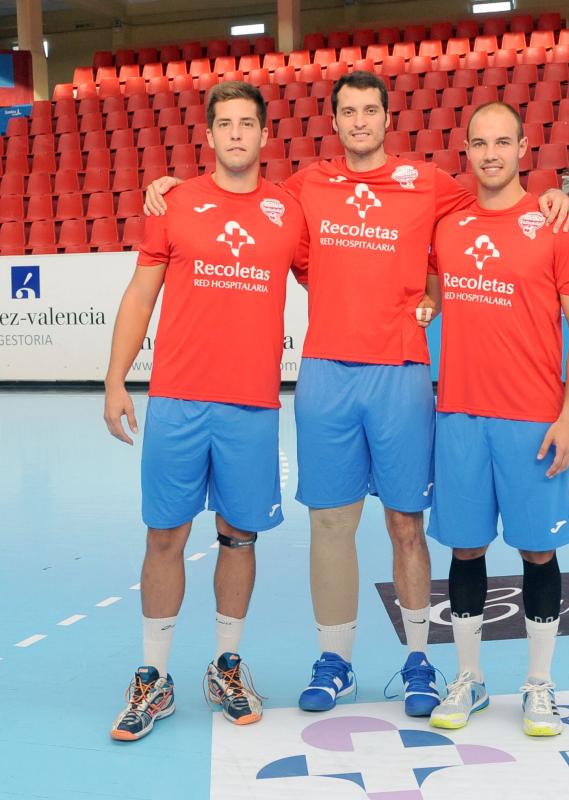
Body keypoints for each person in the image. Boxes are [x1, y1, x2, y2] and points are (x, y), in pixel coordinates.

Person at [144, 72, 569, 717]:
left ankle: (418, 662)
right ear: (334, 121)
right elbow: (236, 194)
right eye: (347, 111)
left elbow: (497, 201)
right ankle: (337, 661)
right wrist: (170, 188)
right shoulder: (301, 191)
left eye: (369, 110)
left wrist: (553, 197)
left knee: (407, 523)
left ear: (386, 117)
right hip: (325, 373)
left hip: (400, 373)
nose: (359, 121)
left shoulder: (429, 182)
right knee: (330, 522)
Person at [104, 82, 306, 741]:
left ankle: (226, 665)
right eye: (226, 124)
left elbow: (343, 271)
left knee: (238, 538)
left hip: (250, 407)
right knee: (164, 536)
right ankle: (153, 677)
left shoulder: (289, 211)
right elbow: (140, 296)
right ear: (211, 137)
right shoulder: (176, 203)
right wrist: (113, 379)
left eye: (249, 123)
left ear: (265, 135)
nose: (238, 134)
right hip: (178, 401)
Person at [426, 101, 569, 736]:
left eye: (503, 142)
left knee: (537, 551)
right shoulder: (447, 223)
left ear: (524, 148)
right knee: (466, 548)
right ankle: (469, 680)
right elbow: (423, 287)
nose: (491, 153)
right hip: (461, 417)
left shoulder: (557, 224)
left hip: (532, 419)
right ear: (465, 150)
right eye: (479, 143)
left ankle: (539, 684)